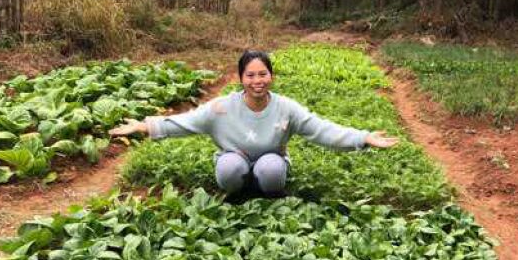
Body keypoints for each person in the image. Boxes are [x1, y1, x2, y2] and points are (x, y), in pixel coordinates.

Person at [109, 50, 399, 197]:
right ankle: (242, 187)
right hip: (235, 158)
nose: (257, 81)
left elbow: (321, 129)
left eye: (263, 74)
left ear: (271, 76)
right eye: (250, 75)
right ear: (240, 78)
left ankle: (264, 187)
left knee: (271, 171)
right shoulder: (221, 108)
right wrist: (144, 125)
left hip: (272, 159)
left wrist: (362, 137)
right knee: (230, 170)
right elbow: (184, 122)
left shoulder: (286, 108)